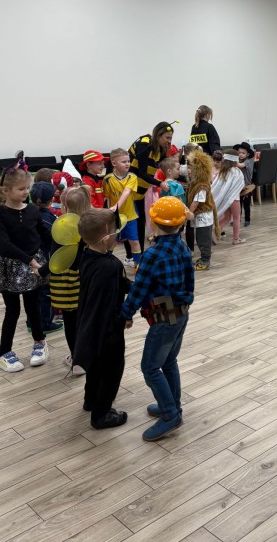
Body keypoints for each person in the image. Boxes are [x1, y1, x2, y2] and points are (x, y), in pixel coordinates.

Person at [121, 197, 194, 441]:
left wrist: (125, 313)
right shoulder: (183, 247)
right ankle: (171, 405)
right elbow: (189, 283)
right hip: (181, 311)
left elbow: (139, 289)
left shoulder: (152, 255)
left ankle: (171, 415)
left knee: (150, 367)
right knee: (169, 361)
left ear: (152, 222)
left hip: (164, 314)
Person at [0, 154, 50, 372]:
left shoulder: (33, 210)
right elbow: (4, 243)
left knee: (33, 307)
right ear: (6, 191)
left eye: (27, 188)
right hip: (9, 266)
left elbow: (45, 234)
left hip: (33, 267)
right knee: (12, 310)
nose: (26, 192)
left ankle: (39, 342)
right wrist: (30, 260)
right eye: (21, 189)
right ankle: (4, 353)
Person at [74, 209, 129, 429]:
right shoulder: (110, 265)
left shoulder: (87, 256)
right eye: (115, 231)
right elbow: (111, 299)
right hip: (108, 330)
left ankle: (90, 400)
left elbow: (119, 285)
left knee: (95, 367)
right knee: (112, 370)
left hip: (90, 326)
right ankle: (102, 414)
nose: (118, 234)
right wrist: (123, 317)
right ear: (106, 238)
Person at [42, 185, 91, 376]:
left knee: (70, 322)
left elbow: (55, 258)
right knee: (85, 320)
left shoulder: (63, 227)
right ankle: (87, 356)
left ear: (64, 206)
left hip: (67, 282)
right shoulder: (92, 225)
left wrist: (41, 271)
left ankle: (76, 361)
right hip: (87, 279)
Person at [129, 122, 179, 248]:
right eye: (167, 138)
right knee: (133, 224)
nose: (169, 141)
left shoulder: (161, 149)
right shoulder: (144, 145)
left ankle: (139, 253)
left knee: (141, 222)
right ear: (158, 135)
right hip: (130, 189)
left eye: (171, 138)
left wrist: (184, 177)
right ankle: (133, 255)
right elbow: (142, 173)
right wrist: (160, 183)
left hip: (142, 189)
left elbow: (166, 167)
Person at [29, 181, 64, 333]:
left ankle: (31, 321)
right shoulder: (48, 217)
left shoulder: (28, 213)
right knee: (45, 292)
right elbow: (54, 238)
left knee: (33, 292)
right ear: (51, 199)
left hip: (30, 258)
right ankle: (45, 323)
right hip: (45, 258)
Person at [103, 148, 141, 267]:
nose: (127, 164)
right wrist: (108, 214)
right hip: (115, 218)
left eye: (128, 161)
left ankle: (139, 266)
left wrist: (116, 206)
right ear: (114, 163)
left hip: (130, 217)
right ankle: (106, 265)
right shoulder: (107, 179)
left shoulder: (132, 177)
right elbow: (106, 198)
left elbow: (127, 191)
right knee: (111, 243)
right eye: (124, 162)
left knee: (134, 241)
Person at [186, 150, 219, 271]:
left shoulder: (202, 185)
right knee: (200, 238)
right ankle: (204, 258)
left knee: (203, 239)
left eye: (191, 168)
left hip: (203, 216)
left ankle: (205, 260)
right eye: (188, 168)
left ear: (199, 170)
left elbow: (197, 201)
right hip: (200, 216)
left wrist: (189, 212)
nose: (188, 171)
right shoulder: (195, 183)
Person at [212, 150, 245, 244]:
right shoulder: (237, 172)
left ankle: (214, 232)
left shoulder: (222, 172)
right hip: (235, 199)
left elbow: (217, 186)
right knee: (237, 218)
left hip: (225, 199)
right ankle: (236, 239)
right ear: (235, 161)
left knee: (227, 217)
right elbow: (240, 184)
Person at [234, 142, 255, 227]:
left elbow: (240, 165)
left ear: (247, 154)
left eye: (243, 153)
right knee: (238, 204)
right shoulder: (237, 161)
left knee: (246, 205)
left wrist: (231, 161)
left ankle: (247, 220)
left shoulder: (247, 162)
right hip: (238, 187)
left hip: (247, 187)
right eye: (239, 152)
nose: (241, 154)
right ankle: (237, 220)